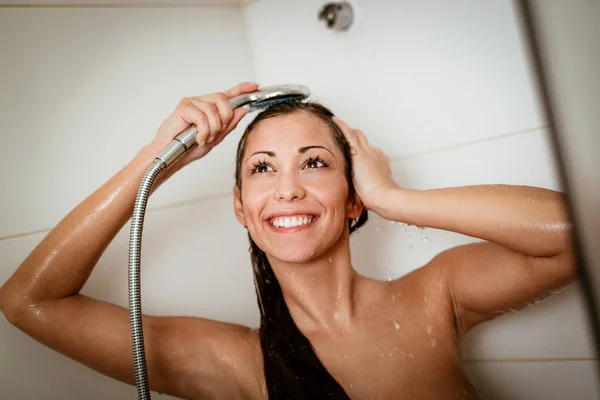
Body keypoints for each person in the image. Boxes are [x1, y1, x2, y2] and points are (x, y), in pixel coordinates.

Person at [0, 82, 577, 400]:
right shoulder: (235, 365)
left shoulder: (435, 297)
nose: (288, 190)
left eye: (316, 163)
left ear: (354, 198)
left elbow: (575, 237)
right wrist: (154, 162)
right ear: (241, 209)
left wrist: (394, 198)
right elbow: (28, 302)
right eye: (262, 169)